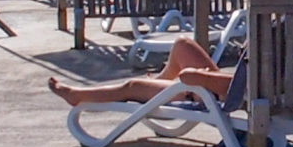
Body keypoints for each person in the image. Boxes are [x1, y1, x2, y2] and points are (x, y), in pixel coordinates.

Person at [47, 36, 233, 108]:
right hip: (218, 85)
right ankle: (161, 82)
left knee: (131, 86)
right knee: (182, 45)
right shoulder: (260, 52)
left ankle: (76, 95)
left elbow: (189, 78)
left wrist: (199, 76)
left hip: (207, 95)